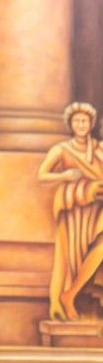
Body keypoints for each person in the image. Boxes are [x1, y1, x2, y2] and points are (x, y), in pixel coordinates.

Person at [38, 102, 103, 321]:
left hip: (97, 206)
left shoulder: (99, 148)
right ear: (71, 125)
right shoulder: (61, 149)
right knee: (73, 256)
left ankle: (71, 294)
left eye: (85, 121)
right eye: (77, 121)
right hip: (74, 207)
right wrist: (65, 176)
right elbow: (42, 175)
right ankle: (68, 297)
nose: (81, 125)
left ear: (91, 124)